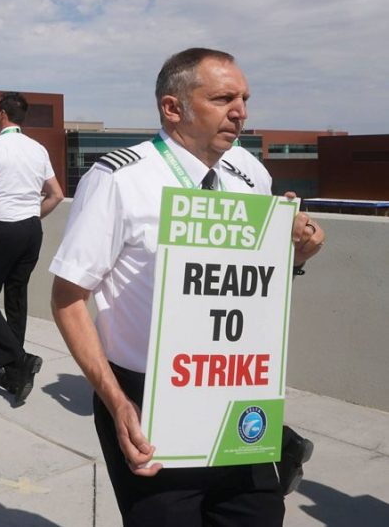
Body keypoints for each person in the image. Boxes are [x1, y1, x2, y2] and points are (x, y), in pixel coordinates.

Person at [50, 47, 326, 526]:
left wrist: (293, 256)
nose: (240, 111)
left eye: (244, 98)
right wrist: (117, 403)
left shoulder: (250, 175)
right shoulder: (120, 178)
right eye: (222, 98)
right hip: (147, 399)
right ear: (172, 107)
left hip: (237, 395)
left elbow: (248, 289)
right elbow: (68, 298)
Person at [0, 91, 64, 402]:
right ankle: (14, 373)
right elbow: (57, 195)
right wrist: (32, 214)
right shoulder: (38, 149)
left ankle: (19, 361)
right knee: (16, 296)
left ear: (1, 113)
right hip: (31, 230)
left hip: (3, 228)